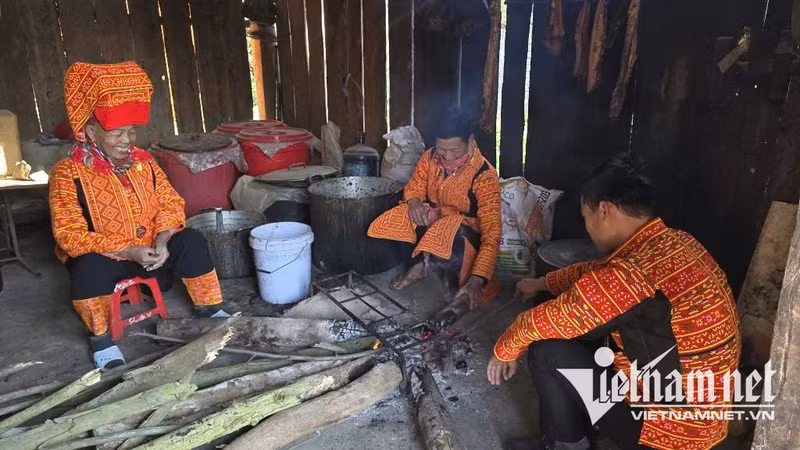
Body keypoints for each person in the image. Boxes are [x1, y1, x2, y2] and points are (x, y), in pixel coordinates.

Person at [488, 155, 740, 450]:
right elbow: (596, 272)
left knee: (546, 349)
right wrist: (542, 283)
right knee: (597, 343)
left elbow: (552, 318)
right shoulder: (677, 243)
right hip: (706, 423)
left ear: (604, 210)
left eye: (586, 218)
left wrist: (505, 349)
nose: (587, 227)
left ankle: (566, 443)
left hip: (668, 436)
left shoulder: (633, 274)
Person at [49, 61, 230, 370]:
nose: (126, 141)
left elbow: (170, 203)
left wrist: (162, 241)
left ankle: (211, 309)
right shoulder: (69, 173)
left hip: (152, 258)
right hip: (107, 262)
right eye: (116, 132)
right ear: (90, 130)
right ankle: (101, 340)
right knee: (86, 266)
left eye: (131, 132)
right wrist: (126, 250)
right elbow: (68, 234)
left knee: (190, 239)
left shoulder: (143, 162)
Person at [368, 110, 501, 311]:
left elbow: (492, 233)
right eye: (442, 149)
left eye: (454, 151)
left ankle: (440, 269)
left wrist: (477, 279)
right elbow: (415, 187)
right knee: (400, 212)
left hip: (464, 233)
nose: (447, 156)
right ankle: (421, 265)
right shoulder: (429, 157)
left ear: (470, 141)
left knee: (452, 235)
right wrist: (413, 203)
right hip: (435, 219)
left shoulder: (484, 175)